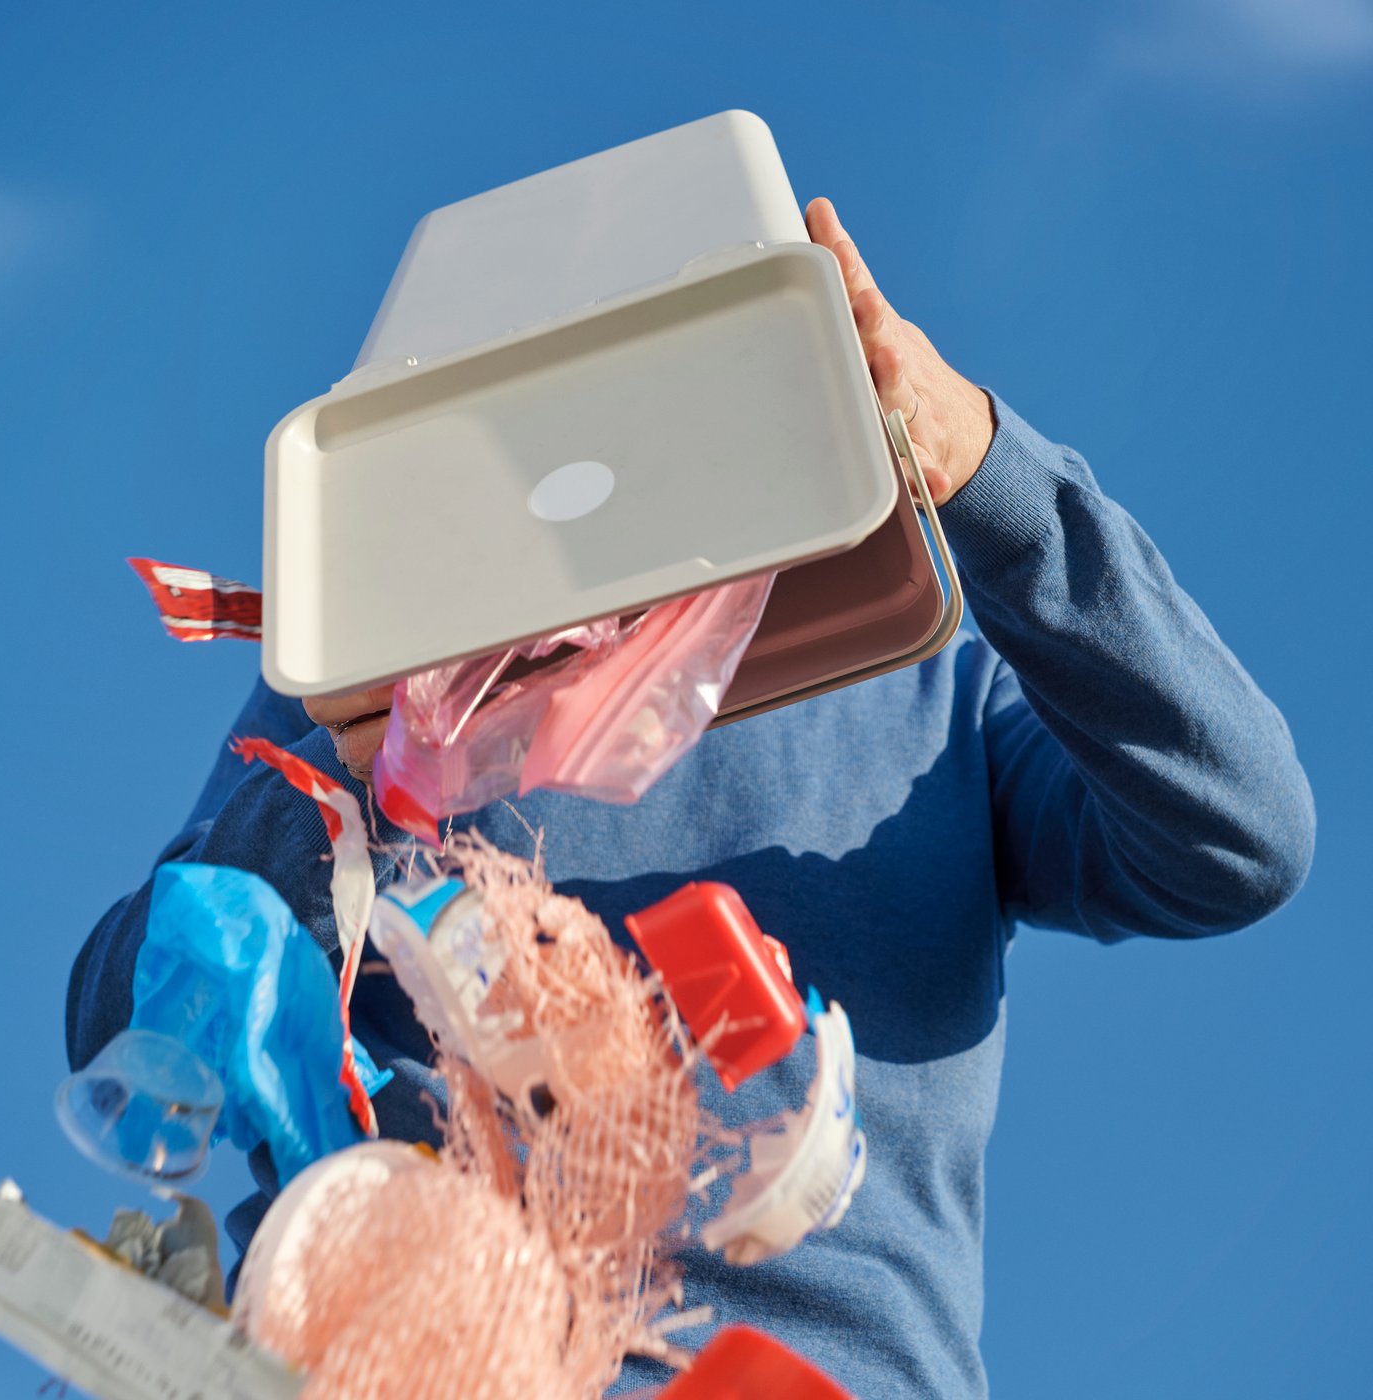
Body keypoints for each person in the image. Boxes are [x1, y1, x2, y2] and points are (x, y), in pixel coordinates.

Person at [66, 197, 1315, 1398]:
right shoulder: (391, 674)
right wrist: (348, 772)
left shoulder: (923, 677)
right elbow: (122, 1026)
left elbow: (1235, 828)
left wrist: (984, 465)